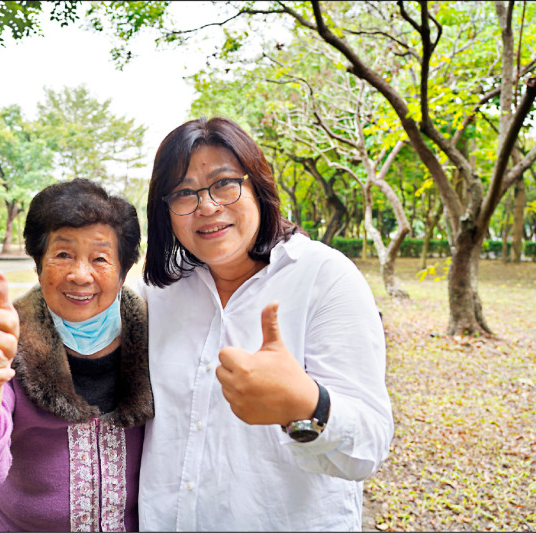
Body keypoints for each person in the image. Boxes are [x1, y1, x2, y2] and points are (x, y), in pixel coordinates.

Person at [137, 117, 393, 531]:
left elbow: (369, 447)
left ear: (257, 185)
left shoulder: (324, 277)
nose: (206, 206)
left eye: (224, 183)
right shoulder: (159, 293)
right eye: (184, 193)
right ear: (166, 210)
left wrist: (308, 405)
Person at [0, 179, 153, 532]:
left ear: (124, 271)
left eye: (100, 258)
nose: (80, 275)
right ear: (39, 264)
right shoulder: (9, 342)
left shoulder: (156, 340)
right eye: (63, 254)